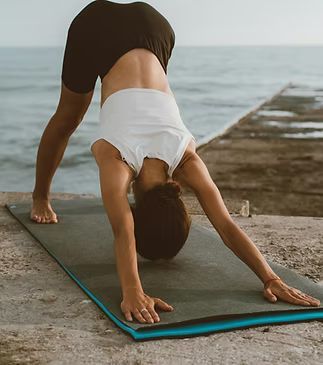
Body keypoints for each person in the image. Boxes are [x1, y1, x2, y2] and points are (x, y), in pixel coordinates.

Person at [30, 0, 320, 325]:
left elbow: (225, 224)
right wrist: (132, 291)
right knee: (71, 115)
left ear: (177, 192)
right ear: (136, 206)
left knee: (78, 110)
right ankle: (40, 197)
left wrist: (271, 277)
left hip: (156, 25)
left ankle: (41, 195)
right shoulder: (116, 157)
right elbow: (122, 230)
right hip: (98, 26)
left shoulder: (186, 157)